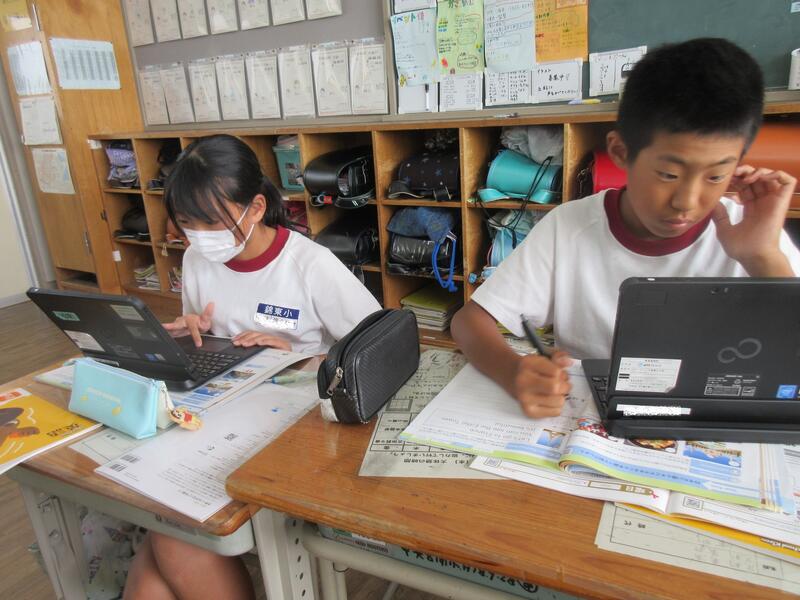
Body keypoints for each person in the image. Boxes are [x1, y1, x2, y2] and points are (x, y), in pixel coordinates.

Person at [451, 38, 800, 419]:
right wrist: (513, 371)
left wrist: (763, 258)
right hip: (589, 419)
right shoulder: (569, 227)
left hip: (717, 417)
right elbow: (469, 322)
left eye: (716, 176)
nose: (686, 201)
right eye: (668, 174)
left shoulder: (753, 236)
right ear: (620, 152)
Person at [123, 134, 380, 600]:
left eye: (209, 221)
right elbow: (205, 326)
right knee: (155, 559)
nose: (198, 235)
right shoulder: (197, 259)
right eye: (186, 222)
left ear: (256, 207)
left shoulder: (309, 265)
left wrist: (298, 354)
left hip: (293, 426)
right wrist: (193, 329)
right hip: (218, 414)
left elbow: (378, 347)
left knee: (168, 541)